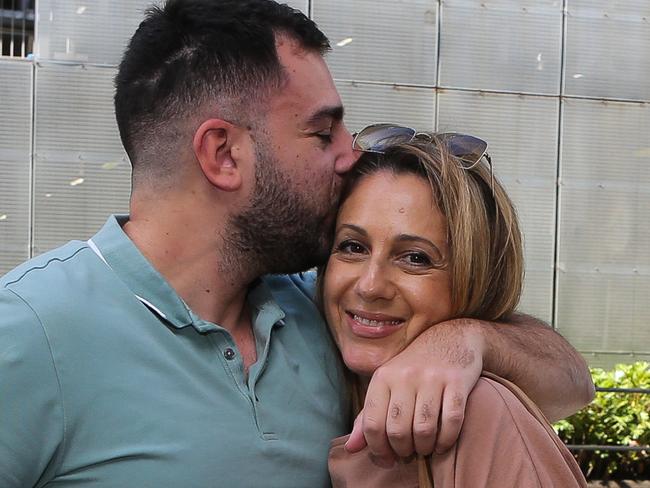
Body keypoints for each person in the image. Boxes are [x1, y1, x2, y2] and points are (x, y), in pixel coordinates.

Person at [0, 1, 593, 487]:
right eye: (322, 131)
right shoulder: (28, 331)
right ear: (224, 154)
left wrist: (467, 340)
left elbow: (570, 379)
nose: (351, 155)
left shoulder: (314, 306)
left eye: (412, 257)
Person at [323, 129, 588, 486]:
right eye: (353, 247)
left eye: (416, 258)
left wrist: (464, 337)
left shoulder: (481, 412)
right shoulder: (284, 318)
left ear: (476, 279)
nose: (370, 286)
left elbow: (577, 382)